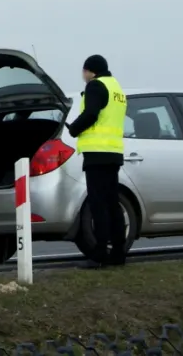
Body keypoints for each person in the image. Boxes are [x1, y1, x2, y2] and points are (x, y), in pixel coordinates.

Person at [66, 54, 128, 268]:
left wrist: (73, 128)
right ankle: (118, 253)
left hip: (97, 153)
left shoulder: (95, 86)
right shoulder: (116, 89)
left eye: (84, 71)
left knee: (98, 204)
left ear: (90, 71)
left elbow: (91, 114)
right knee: (113, 203)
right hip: (113, 152)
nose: (83, 75)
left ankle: (100, 253)